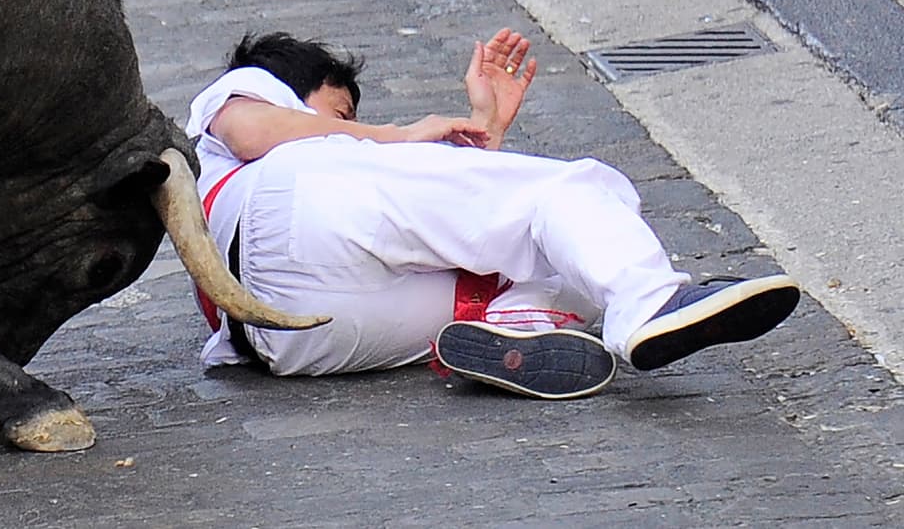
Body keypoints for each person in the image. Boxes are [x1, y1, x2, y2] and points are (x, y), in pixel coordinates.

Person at [184, 28, 799, 399]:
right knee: (571, 190)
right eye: (339, 113)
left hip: (292, 341)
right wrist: (395, 136)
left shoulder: (334, 157)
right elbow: (252, 130)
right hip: (292, 205)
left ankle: (518, 325)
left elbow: (466, 224)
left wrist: (487, 133)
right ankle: (649, 298)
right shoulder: (247, 92)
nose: (349, 128)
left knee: (566, 267)